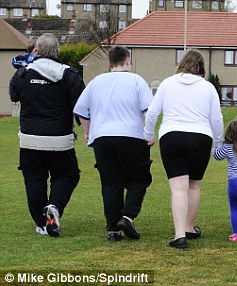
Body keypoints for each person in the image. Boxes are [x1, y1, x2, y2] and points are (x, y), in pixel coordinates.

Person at [144, 49, 224, 249]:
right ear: (201, 68)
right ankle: (189, 227)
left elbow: (153, 111)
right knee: (194, 185)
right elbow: (216, 118)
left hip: (172, 136)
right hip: (201, 138)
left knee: (178, 188)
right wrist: (219, 142)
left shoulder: (167, 83)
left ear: (182, 63)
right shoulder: (208, 87)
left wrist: (148, 134)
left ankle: (179, 234)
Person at [73, 45, 154, 242]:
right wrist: (149, 133)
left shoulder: (96, 82)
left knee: (110, 182)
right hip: (132, 136)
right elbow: (148, 110)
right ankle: (127, 217)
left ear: (109, 63)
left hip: (103, 138)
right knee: (139, 178)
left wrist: (87, 130)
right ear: (128, 61)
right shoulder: (136, 81)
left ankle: (113, 228)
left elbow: (81, 110)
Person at [9, 33, 84, 237]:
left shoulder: (22, 73)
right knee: (67, 175)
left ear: (37, 51)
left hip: (29, 139)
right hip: (60, 141)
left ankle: (42, 223)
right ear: (58, 52)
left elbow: (13, 95)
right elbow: (81, 106)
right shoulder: (70, 74)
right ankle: (54, 206)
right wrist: (86, 129)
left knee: (34, 179)